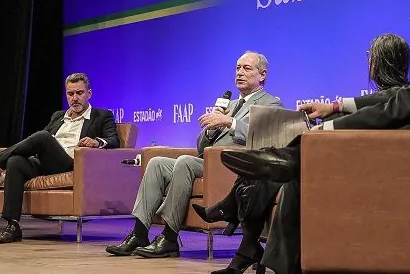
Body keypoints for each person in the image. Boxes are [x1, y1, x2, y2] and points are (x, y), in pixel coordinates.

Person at [220, 0, 410, 274]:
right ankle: (285, 170)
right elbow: (402, 98)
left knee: (307, 160)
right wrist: (336, 107)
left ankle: (285, 164)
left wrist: (332, 130)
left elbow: (405, 104)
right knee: (302, 167)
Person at [194, 33, 410, 274]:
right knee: (266, 175)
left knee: (271, 173)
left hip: (356, 168)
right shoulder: (393, 98)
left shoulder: (400, 99)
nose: (240, 72)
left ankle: (238, 216)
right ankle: (247, 243)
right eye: (238, 68)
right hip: (340, 161)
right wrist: (333, 111)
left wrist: (327, 124)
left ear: (379, 63)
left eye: (371, 58)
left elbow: (379, 109)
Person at [105, 51, 283, 259]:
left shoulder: (271, 103)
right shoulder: (231, 105)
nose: (240, 73)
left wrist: (229, 123)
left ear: (262, 75)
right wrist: (210, 130)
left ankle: (170, 237)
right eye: (237, 68)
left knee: (185, 162)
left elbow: (262, 136)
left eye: (247, 68)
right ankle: (139, 233)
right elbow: (200, 147)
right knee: (157, 163)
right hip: (208, 161)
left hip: (233, 166)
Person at [0, 73, 119, 243]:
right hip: (45, 161)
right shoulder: (58, 116)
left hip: (70, 163)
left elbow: (114, 140)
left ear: (89, 93)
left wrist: (97, 142)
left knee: (43, 137)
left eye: (79, 93)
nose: (75, 98)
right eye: (70, 94)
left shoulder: (102, 116)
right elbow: (35, 143)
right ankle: (13, 226)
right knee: (15, 162)